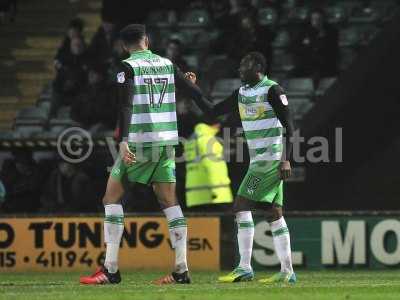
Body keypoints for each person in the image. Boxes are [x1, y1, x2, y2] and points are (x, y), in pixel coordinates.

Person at [79, 24, 215, 285]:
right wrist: (212, 109)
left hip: (140, 141)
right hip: (166, 142)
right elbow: (193, 92)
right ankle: (181, 270)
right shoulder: (167, 63)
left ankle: (111, 268)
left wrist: (124, 140)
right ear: (147, 40)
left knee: (111, 197)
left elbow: (126, 104)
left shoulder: (127, 67)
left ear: (123, 45)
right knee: (169, 202)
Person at [187, 52, 296, 284]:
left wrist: (287, 159)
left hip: (269, 160)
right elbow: (212, 111)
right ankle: (287, 272)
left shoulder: (272, 90)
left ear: (257, 67)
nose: (239, 69)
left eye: (243, 65)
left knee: (240, 205)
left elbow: (290, 126)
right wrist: (191, 89)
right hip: (259, 160)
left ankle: (244, 267)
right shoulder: (242, 93)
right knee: (274, 213)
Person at [184, 121, 233, 208]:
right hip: (214, 194)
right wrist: (215, 190)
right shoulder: (208, 140)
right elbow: (212, 166)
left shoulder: (191, 141)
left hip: (194, 194)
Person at [291, 9, 339, 78]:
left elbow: (332, 51)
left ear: (323, 20)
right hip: (307, 64)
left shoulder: (331, 32)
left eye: (319, 19)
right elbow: (296, 47)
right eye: (314, 19)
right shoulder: (304, 32)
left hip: (325, 64)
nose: (317, 22)